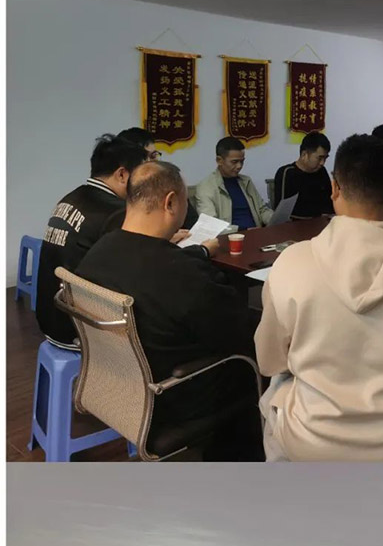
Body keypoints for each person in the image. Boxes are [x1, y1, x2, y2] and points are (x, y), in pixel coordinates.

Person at [255, 133, 383, 462]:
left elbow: (270, 361)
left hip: (312, 439)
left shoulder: (292, 264)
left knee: (277, 388)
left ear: (334, 188)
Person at [77, 160, 264, 461]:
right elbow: (244, 333)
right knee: (260, 365)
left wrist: (195, 254)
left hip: (120, 387)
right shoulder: (181, 276)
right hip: (174, 396)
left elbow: (154, 269)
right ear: (171, 202)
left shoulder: (99, 252)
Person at [36, 134, 148, 347]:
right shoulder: (116, 212)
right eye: (142, 176)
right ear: (122, 174)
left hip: (51, 320)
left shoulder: (71, 198)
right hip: (84, 330)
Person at [119, 126, 198, 228]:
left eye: (153, 156)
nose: (149, 163)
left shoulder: (171, 185)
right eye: (143, 157)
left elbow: (193, 223)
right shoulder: (122, 192)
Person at [194, 137, 272, 229]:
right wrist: (243, 230)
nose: (239, 166)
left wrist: (274, 218)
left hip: (256, 232)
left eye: (242, 161)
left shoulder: (246, 181)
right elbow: (210, 225)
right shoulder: (206, 187)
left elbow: (262, 210)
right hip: (232, 235)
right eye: (234, 162)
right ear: (219, 160)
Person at [273, 131, 334, 219]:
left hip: (321, 223)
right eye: (319, 158)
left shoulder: (321, 171)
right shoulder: (287, 173)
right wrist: (318, 215)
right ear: (304, 155)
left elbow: (329, 201)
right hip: (296, 225)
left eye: (325, 158)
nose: (322, 163)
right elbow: (282, 213)